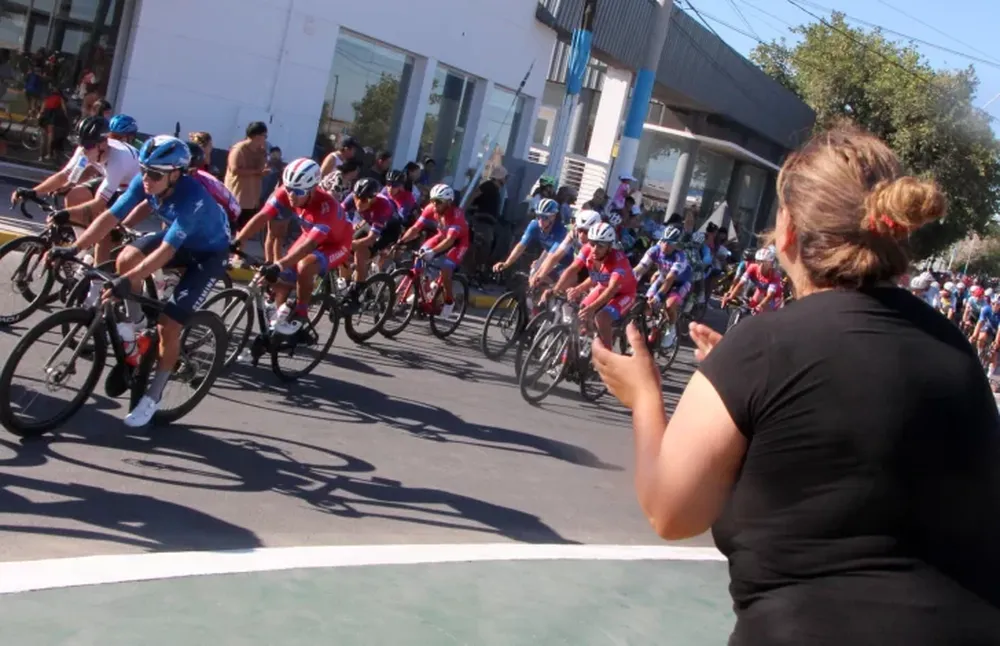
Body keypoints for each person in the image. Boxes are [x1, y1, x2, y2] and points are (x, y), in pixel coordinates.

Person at [593, 123, 1000, 645]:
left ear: (788, 232)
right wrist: (750, 395)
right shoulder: (953, 348)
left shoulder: (766, 346)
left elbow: (671, 511)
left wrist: (644, 397)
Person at [49, 135, 231, 428]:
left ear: (175, 174)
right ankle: (137, 331)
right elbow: (109, 217)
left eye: (155, 174)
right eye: (144, 170)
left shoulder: (192, 198)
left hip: (208, 255)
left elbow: (166, 252)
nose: (146, 178)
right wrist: (74, 248)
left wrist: (127, 281)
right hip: (182, 241)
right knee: (125, 260)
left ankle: (153, 396)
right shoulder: (146, 182)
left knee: (168, 326)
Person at [232, 158, 354, 335]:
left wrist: (279, 264)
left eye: (298, 191)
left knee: (304, 265)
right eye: (289, 189)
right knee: (281, 279)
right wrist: (238, 240)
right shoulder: (286, 192)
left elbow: (310, 245)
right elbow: (262, 217)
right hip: (310, 234)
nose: (291, 195)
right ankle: (279, 323)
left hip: (336, 244)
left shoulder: (326, 207)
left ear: (312, 189)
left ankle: (302, 312)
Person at [14, 116, 140, 263]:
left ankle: (96, 283)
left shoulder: (118, 160)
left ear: (103, 144)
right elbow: (64, 176)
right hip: (112, 180)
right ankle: (84, 247)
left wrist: (66, 214)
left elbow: (99, 202)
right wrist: (34, 191)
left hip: (133, 189)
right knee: (74, 195)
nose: (84, 150)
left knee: (103, 231)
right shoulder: (86, 149)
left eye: (88, 146)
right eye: (82, 144)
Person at [546, 221, 637, 346]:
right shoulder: (588, 249)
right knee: (581, 313)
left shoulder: (618, 260)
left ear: (609, 247)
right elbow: (573, 269)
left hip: (624, 293)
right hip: (604, 286)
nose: (595, 249)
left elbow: (611, 289)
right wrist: (557, 289)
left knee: (602, 318)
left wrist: (592, 308)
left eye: (600, 246)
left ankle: (606, 356)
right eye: (593, 243)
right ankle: (580, 349)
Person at [396, 184, 469, 320]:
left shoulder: (456, 215)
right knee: (420, 255)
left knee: (446, 267)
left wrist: (433, 252)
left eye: (439, 202)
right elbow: (415, 228)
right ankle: (425, 291)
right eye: (432, 201)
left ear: (448, 202)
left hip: (458, 242)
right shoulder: (431, 209)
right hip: (442, 236)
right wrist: (401, 241)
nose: (434, 205)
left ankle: (449, 301)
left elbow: (449, 241)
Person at [342, 177, 402, 283]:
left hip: (388, 231)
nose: (359, 203)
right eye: (356, 198)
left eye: (364, 200)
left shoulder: (383, 206)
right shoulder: (355, 195)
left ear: (373, 198)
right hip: (370, 224)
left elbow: (371, 238)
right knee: (343, 252)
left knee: (360, 253)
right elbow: (337, 213)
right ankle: (344, 286)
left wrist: (352, 244)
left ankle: (357, 290)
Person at [492, 197, 565, 276]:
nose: (540, 221)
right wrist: (507, 263)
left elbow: (553, 256)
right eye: (538, 216)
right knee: (534, 273)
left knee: (540, 278)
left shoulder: (560, 230)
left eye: (544, 217)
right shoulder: (534, 225)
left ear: (553, 216)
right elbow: (521, 246)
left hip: (566, 262)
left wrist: (539, 272)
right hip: (552, 258)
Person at [224, 121, 268, 229]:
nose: (265, 139)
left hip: (251, 200)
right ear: (256, 136)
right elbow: (234, 169)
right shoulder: (239, 149)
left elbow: (261, 170)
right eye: (264, 136)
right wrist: (256, 171)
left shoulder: (261, 152)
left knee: (243, 233)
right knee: (230, 230)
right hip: (236, 198)